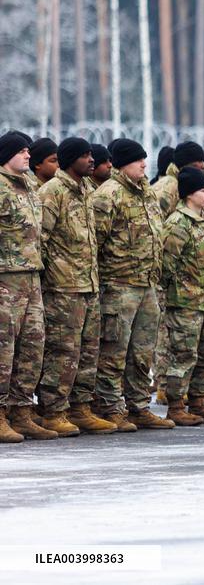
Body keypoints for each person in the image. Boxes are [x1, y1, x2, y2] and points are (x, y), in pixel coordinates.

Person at [36, 138, 117, 437]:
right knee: (62, 352)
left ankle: (80, 408)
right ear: (70, 160)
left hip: (87, 284)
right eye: (84, 156)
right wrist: (49, 282)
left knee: (87, 350)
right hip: (62, 288)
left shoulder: (85, 190)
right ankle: (53, 410)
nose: (91, 160)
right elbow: (40, 240)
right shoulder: (52, 193)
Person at [91, 138, 174, 430]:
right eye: (138, 160)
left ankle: (138, 406)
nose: (144, 164)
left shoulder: (146, 193)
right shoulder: (107, 195)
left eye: (144, 159)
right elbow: (95, 244)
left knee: (142, 352)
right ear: (122, 163)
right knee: (114, 351)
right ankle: (110, 406)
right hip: (118, 286)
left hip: (147, 285)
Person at [159, 167, 204, 427]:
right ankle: (176, 405)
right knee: (183, 355)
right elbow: (166, 264)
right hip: (185, 302)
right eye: (202, 190)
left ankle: (198, 402)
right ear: (189, 194)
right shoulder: (178, 223)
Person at [0, 131, 55, 442]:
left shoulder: (31, 187)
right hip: (5, 279)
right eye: (20, 151)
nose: (27, 155)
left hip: (31, 277)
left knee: (33, 348)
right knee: (3, 350)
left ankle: (21, 411)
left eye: (27, 150)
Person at [152, 141, 204, 216]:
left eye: (203, 161)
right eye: (197, 163)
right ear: (183, 166)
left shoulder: (192, 184)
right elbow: (153, 220)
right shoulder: (167, 188)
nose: (203, 166)